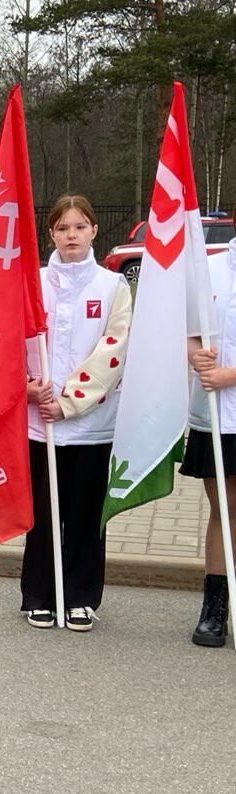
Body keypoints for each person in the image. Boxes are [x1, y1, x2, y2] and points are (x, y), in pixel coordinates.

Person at [20, 196, 131, 632]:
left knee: (86, 514)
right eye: (63, 228)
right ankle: (40, 594)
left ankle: (81, 596)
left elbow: (113, 351)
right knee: (42, 514)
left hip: (91, 424)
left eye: (80, 227)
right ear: (51, 233)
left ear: (94, 231)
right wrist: (26, 387)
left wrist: (67, 401)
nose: (71, 235)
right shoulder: (32, 284)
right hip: (39, 423)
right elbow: (10, 342)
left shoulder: (113, 286)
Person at [183, 222, 236, 647]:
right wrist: (196, 356)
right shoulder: (210, 271)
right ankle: (215, 610)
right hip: (217, 416)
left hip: (227, 389)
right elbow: (189, 331)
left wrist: (230, 375)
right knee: (223, 510)